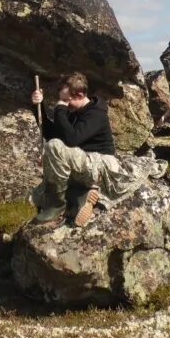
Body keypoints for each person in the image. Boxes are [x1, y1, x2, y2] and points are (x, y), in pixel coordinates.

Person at [30, 72, 117, 228]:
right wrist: (39, 106)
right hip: (82, 165)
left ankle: (58, 206)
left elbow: (72, 139)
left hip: (101, 165)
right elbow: (51, 133)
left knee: (54, 147)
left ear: (81, 94)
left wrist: (59, 110)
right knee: (36, 196)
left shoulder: (96, 114)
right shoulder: (73, 113)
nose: (63, 104)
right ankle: (82, 196)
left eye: (66, 100)